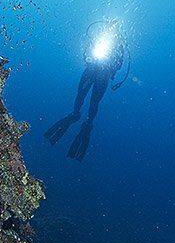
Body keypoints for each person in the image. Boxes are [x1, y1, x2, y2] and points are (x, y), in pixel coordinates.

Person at [45, 23, 128, 160]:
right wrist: (89, 57)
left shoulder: (119, 45)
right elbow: (87, 50)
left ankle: (88, 123)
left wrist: (111, 68)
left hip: (104, 74)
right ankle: (75, 114)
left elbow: (119, 63)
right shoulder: (99, 38)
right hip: (91, 69)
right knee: (81, 95)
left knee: (94, 102)